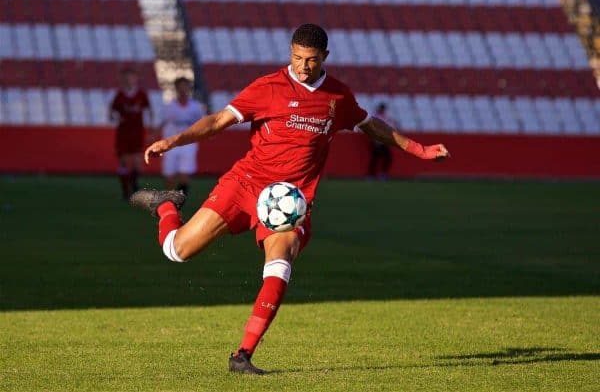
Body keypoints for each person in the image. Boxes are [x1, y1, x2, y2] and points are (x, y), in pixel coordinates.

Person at [130, 24, 449, 375]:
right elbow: (220, 120)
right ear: (290, 53)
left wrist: (419, 150)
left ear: (325, 57)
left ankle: (242, 355)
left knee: (279, 265)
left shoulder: (337, 97)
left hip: (291, 201)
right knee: (176, 251)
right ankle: (166, 205)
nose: (303, 66)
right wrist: (174, 141)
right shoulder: (267, 88)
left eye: (311, 60)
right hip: (245, 184)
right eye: (297, 58)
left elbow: (371, 124)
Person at [109, 68, 153, 199]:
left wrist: (150, 129)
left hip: (137, 132)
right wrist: (115, 118)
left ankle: (134, 186)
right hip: (123, 132)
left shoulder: (141, 94)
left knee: (137, 162)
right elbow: (111, 112)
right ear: (123, 79)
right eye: (127, 77)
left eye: (132, 77)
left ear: (135, 79)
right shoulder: (119, 95)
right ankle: (125, 190)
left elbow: (149, 111)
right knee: (123, 161)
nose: (129, 80)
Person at [157, 77, 206, 194]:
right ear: (176, 89)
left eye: (185, 87)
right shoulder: (169, 106)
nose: (183, 90)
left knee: (185, 173)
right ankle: (170, 198)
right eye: (180, 87)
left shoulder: (196, 107)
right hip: (170, 143)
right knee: (169, 174)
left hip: (189, 144)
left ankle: (178, 200)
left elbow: (203, 124)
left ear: (189, 88)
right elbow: (161, 122)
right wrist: (154, 136)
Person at [367, 102, 398, 180]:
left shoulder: (384, 117)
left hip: (383, 140)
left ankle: (379, 174)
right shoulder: (375, 117)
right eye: (382, 108)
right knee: (376, 158)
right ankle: (372, 175)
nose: (383, 110)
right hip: (377, 140)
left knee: (385, 157)